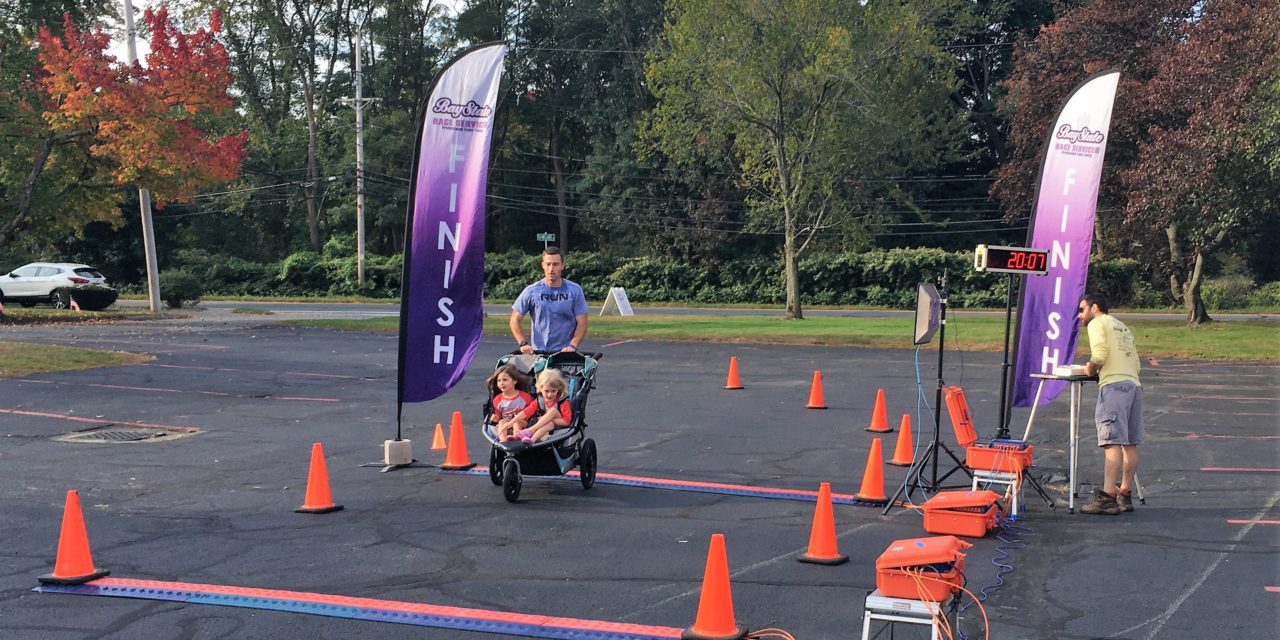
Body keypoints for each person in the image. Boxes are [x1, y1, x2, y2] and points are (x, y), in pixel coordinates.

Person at [1077, 292, 1143, 515]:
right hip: (1133, 384)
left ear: (1094, 308)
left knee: (1112, 441)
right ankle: (1124, 492)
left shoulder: (1097, 324)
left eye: (1082, 309)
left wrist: (1090, 368)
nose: (1080, 315)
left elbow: (1100, 353)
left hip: (1114, 386)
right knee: (1130, 442)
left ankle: (1107, 497)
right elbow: (1135, 360)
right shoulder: (1121, 326)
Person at [509, 247, 588, 354]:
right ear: (543, 265)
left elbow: (582, 321)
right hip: (539, 353)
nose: (551, 269)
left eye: (555, 264)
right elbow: (514, 319)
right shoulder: (531, 291)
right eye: (548, 264)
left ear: (562, 266)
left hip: (566, 353)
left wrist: (573, 345)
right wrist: (523, 343)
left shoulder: (574, 290)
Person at [510, 369, 573, 444]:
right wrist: (510, 423)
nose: (549, 394)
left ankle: (531, 436)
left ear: (558, 389)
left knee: (552, 412)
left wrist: (547, 419)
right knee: (517, 422)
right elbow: (527, 412)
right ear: (540, 389)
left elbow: (566, 422)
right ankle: (516, 438)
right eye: (546, 391)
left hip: (555, 426)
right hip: (540, 425)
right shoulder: (540, 400)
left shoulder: (562, 401)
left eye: (553, 391)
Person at [486, 365, 533, 442]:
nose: (501, 383)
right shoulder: (497, 399)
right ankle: (503, 440)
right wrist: (495, 418)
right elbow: (498, 414)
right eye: (499, 381)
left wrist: (524, 417)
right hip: (506, 422)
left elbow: (530, 411)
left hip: (521, 422)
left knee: (517, 423)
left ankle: (516, 436)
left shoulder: (525, 397)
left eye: (505, 380)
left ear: (514, 381)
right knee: (501, 422)